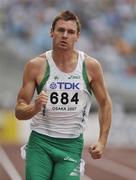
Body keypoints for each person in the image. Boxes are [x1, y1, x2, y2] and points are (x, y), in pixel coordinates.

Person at [15, 10, 112, 180]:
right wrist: (34, 107)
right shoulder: (36, 66)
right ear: (51, 32)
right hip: (41, 142)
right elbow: (19, 110)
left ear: (78, 36)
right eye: (60, 30)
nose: (65, 35)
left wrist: (102, 140)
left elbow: (105, 103)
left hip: (71, 144)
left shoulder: (90, 66)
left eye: (71, 32)